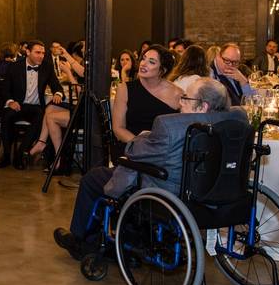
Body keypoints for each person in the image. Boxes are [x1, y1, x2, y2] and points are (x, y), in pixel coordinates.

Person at [55, 79, 243, 259]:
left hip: (169, 194)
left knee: (94, 177)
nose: (180, 103)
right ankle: (129, 237)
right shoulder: (237, 121)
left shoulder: (170, 125)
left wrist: (142, 137)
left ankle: (81, 241)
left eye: (186, 98)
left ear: (203, 107)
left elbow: (135, 152)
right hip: (214, 193)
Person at [0, 40, 64, 169]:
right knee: (6, 116)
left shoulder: (46, 66)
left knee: (40, 117)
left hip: (35, 107)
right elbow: (5, 89)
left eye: (43, 53)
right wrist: (10, 102)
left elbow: (57, 86)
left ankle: (20, 154)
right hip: (18, 104)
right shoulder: (15, 66)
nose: (41, 56)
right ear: (27, 52)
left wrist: (57, 94)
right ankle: (5, 155)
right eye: (37, 52)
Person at [112, 44, 181, 144]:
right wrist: (143, 146)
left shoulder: (177, 93)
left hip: (164, 149)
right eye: (143, 59)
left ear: (162, 70)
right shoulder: (124, 89)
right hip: (131, 146)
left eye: (151, 62)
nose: (143, 64)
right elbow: (118, 128)